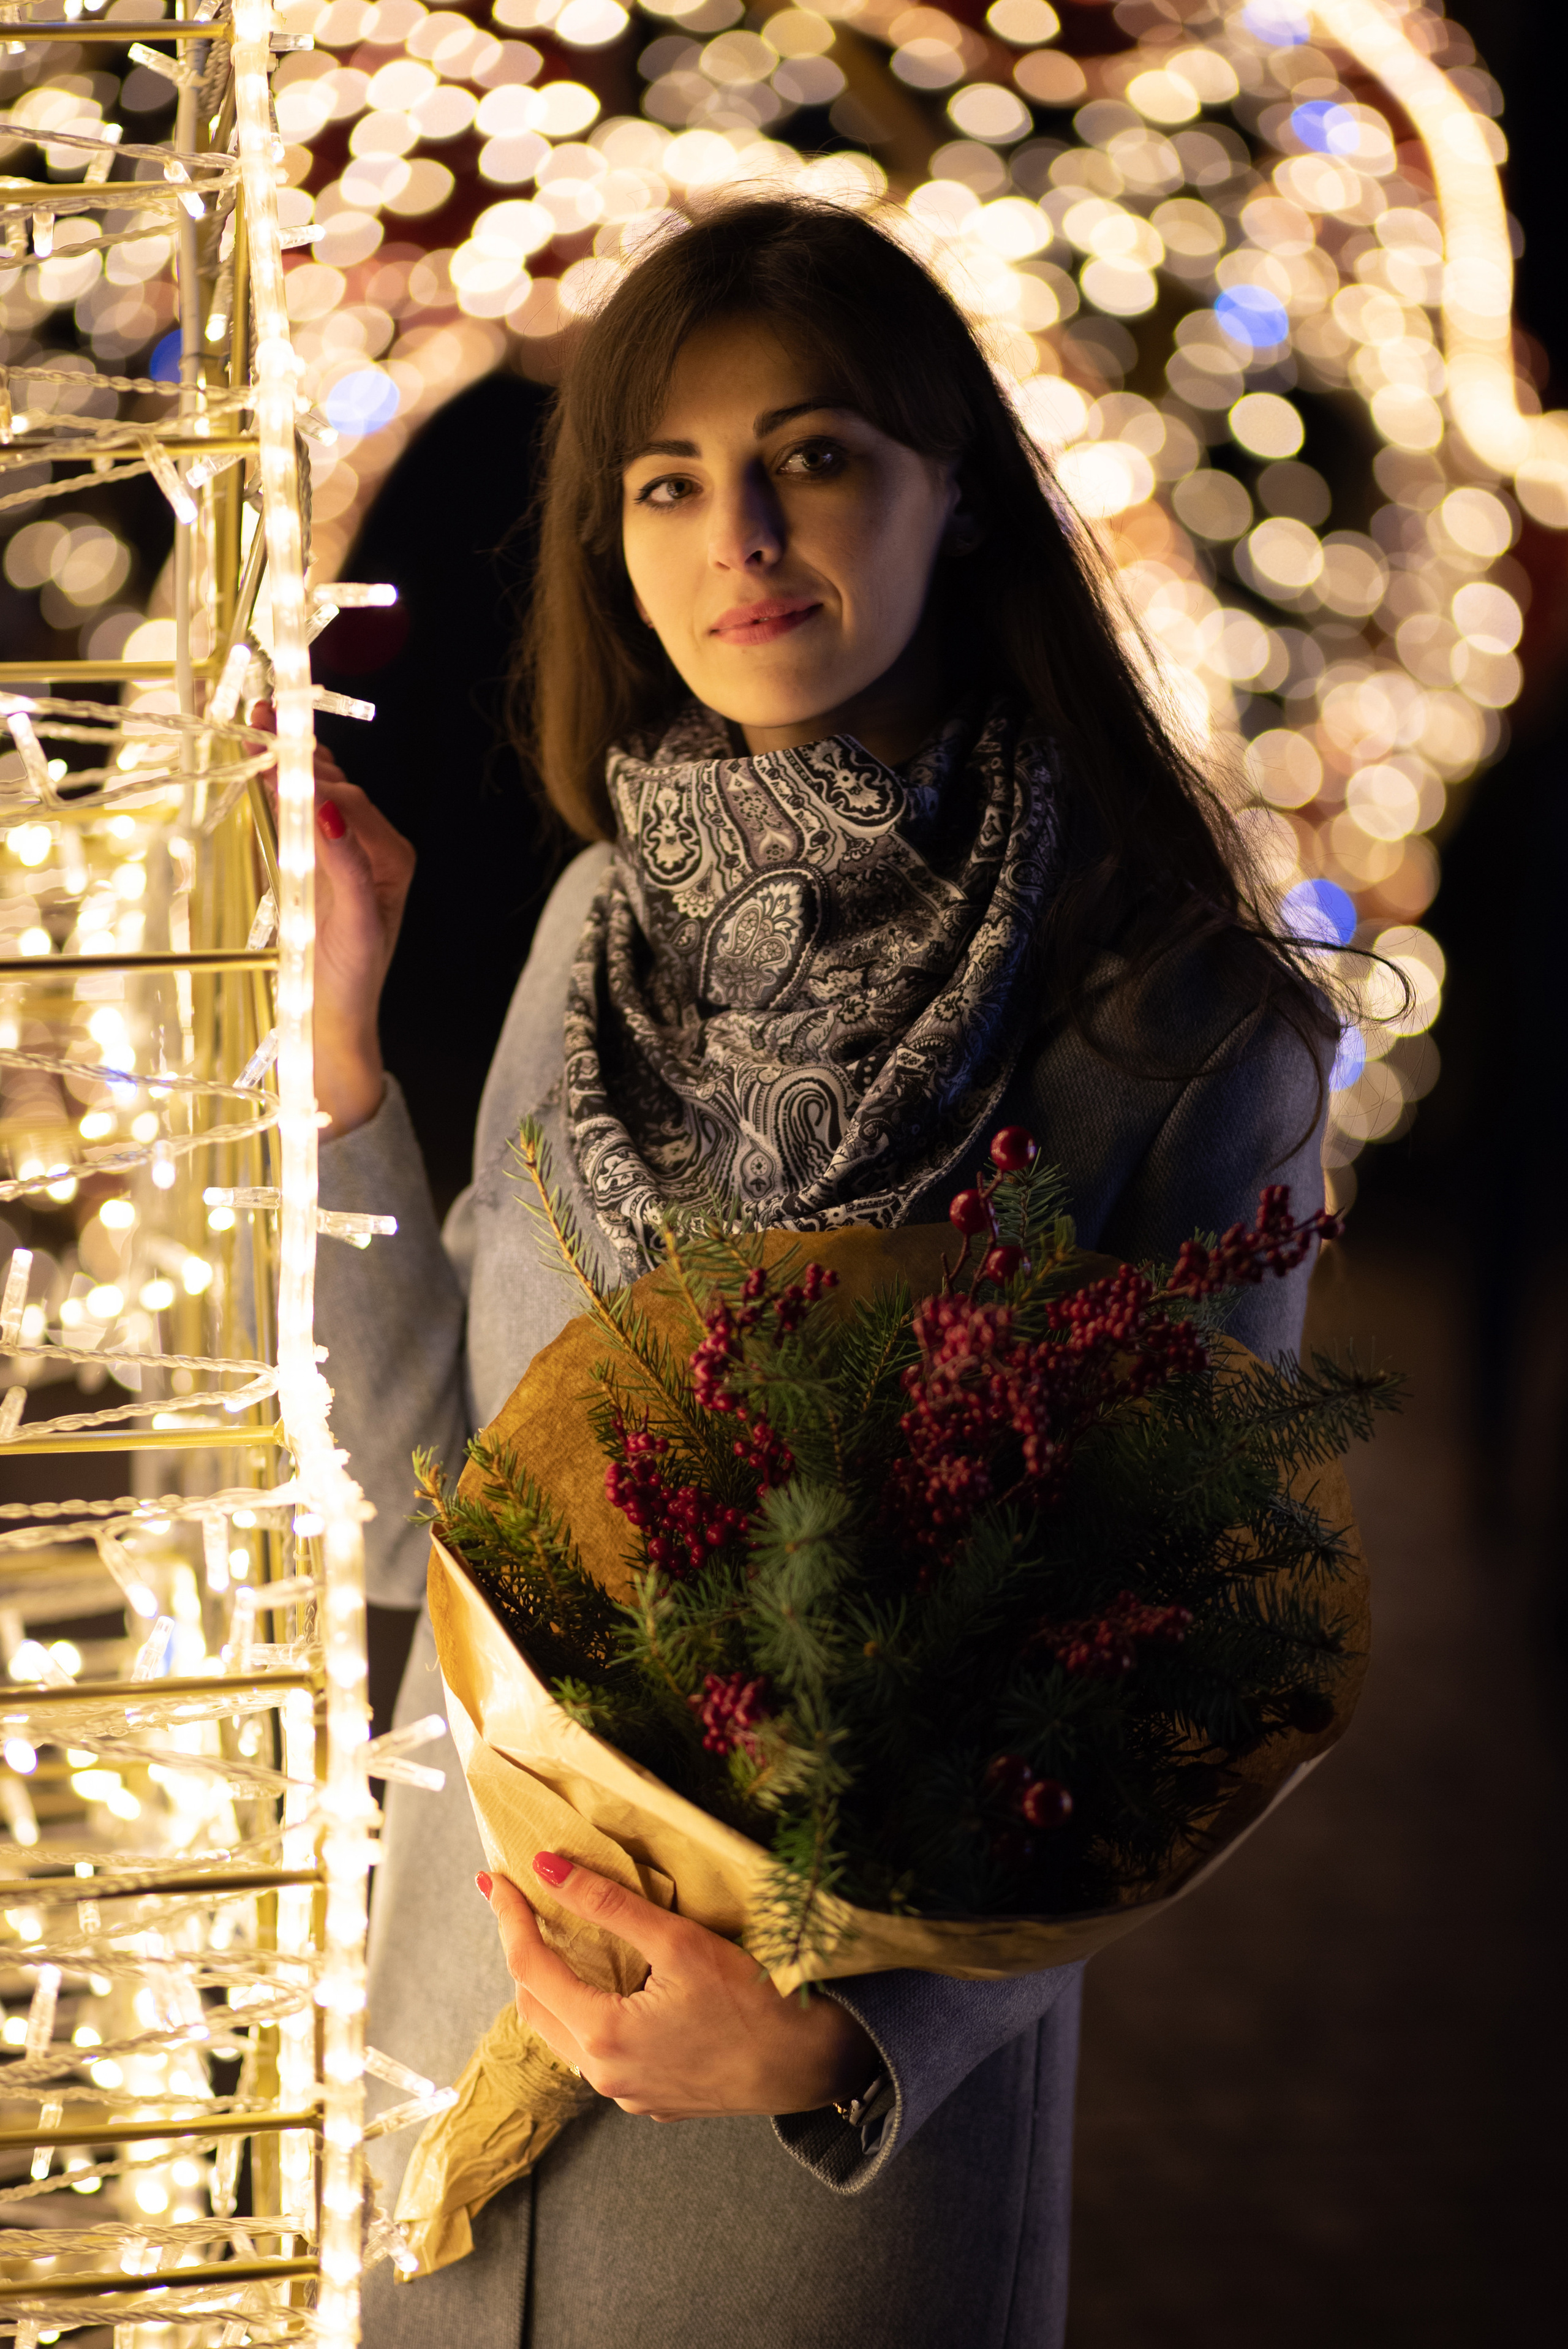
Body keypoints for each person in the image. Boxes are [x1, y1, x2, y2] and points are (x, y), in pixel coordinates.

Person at [303, 195, 1336, 2349]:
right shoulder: (601, 929)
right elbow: (425, 1463)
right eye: (669, 482)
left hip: (799, 2165)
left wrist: (849, 2057)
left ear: (954, 490)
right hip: (444, 2058)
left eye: (818, 454)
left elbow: (1183, 1676)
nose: (742, 533)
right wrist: (340, 1062)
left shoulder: (1174, 1026)